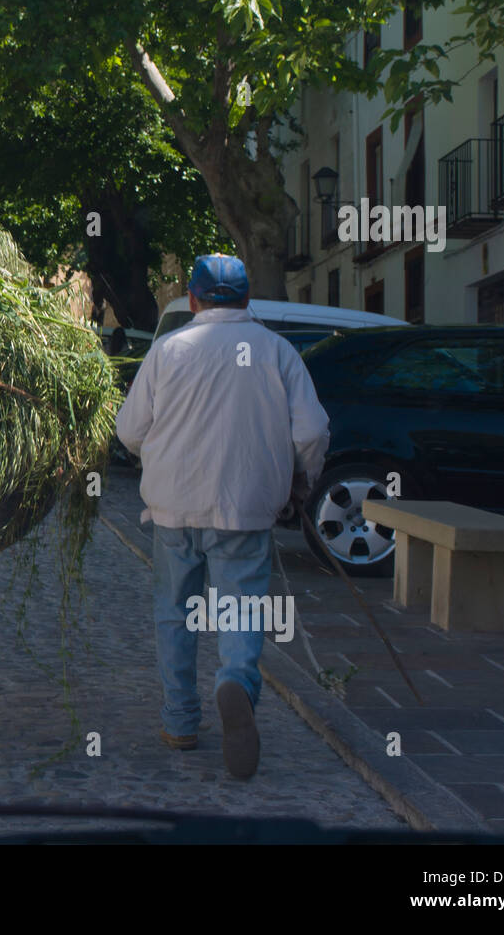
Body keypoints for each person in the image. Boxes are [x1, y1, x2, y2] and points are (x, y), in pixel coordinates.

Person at [115, 254, 330, 779]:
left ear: (193, 300)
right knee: (240, 609)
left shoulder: (168, 351)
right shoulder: (278, 352)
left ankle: (180, 722)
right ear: (247, 300)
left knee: (175, 610)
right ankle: (235, 681)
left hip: (173, 506)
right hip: (246, 506)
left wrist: (161, 454)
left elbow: (128, 431)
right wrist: (302, 481)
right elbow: (312, 432)